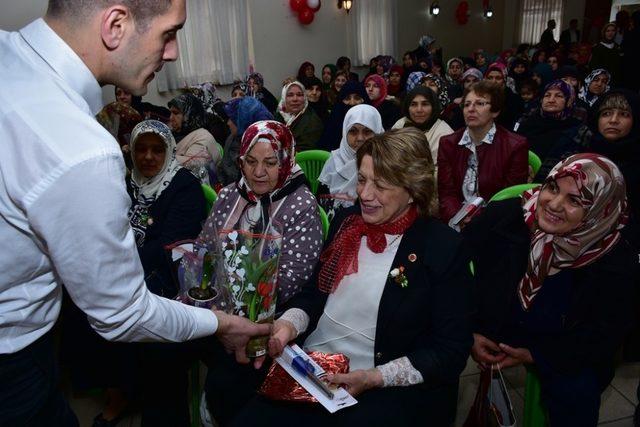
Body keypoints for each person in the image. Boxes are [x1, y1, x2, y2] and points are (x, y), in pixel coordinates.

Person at [0, 1, 268, 425]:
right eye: (169, 32)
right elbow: (121, 313)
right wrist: (220, 324)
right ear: (116, 25)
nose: (174, 52)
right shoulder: (79, 147)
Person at [231, 127, 474, 427]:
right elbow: (314, 295)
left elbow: (450, 351)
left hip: (380, 382)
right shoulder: (347, 222)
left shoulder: (441, 248)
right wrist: (286, 326)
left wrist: (374, 378)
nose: (365, 194)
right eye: (361, 179)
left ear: (413, 189)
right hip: (313, 367)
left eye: (381, 185)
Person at [464, 153, 635, 426]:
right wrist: (470, 329)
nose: (553, 204)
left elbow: (604, 334)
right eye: (553, 187)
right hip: (498, 323)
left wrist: (539, 356)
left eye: (575, 200)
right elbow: (455, 270)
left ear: (599, 210)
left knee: (577, 392)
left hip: (566, 345)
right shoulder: (505, 216)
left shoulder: (615, 260)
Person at [200, 120, 323, 425]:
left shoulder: (301, 204)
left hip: (275, 315)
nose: (258, 172)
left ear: (286, 160)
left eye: (270, 163)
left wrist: (237, 317)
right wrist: (218, 311)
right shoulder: (230, 195)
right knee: (166, 348)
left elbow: (292, 278)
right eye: (250, 162)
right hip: (222, 309)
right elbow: (205, 249)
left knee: (230, 382)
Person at [438, 80, 529, 223]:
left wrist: (479, 223)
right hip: (455, 219)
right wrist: (459, 219)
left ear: (495, 111)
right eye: (466, 104)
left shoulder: (515, 146)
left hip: (494, 223)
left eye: (480, 103)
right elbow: (446, 193)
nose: (471, 109)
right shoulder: (448, 143)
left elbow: (509, 198)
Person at [317, 104, 384, 218]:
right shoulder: (335, 161)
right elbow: (320, 204)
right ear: (344, 132)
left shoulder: (385, 163)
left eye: (367, 132)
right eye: (353, 131)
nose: (360, 138)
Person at [516, 80, 582, 180]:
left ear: (569, 100)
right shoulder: (527, 123)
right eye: (547, 95)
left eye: (559, 96)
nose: (551, 100)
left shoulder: (578, 129)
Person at [392, 85, 454, 173]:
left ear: (433, 107)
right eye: (413, 104)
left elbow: (442, 173)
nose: (419, 110)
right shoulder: (401, 124)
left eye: (425, 104)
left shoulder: (445, 134)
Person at [168, 93, 223, 184]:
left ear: (189, 114)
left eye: (176, 113)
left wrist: (162, 158)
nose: (171, 118)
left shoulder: (203, 137)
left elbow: (193, 171)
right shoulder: (176, 134)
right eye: (170, 113)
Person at [218, 96, 274, 186]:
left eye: (233, 119)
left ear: (244, 120)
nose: (228, 123)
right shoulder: (232, 139)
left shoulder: (267, 146)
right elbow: (222, 170)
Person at [318, 81, 370, 151]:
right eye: (347, 98)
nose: (352, 103)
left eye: (357, 98)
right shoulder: (333, 122)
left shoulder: (371, 121)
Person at [274, 81, 324, 152]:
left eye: (299, 95)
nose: (295, 99)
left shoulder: (313, 122)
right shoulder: (278, 116)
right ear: (284, 99)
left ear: (304, 98)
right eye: (290, 95)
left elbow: (305, 152)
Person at [484, 62, 525, 130]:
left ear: (504, 80)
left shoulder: (514, 99)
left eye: (498, 78)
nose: (493, 81)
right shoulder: (481, 97)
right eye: (490, 78)